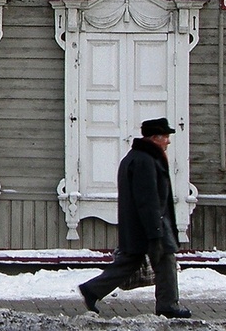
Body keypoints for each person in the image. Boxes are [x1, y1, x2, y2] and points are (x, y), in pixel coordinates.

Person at [78, 117, 191, 318]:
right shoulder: (146, 160)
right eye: (165, 136)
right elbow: (148, 200)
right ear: (154, 138)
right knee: (166, 261)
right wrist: (155, 232)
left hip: (139, 225)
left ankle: (92, 290)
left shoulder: (137, 157)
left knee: (130, 262)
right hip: (151, 225)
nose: (168, 141)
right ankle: (168, 305)